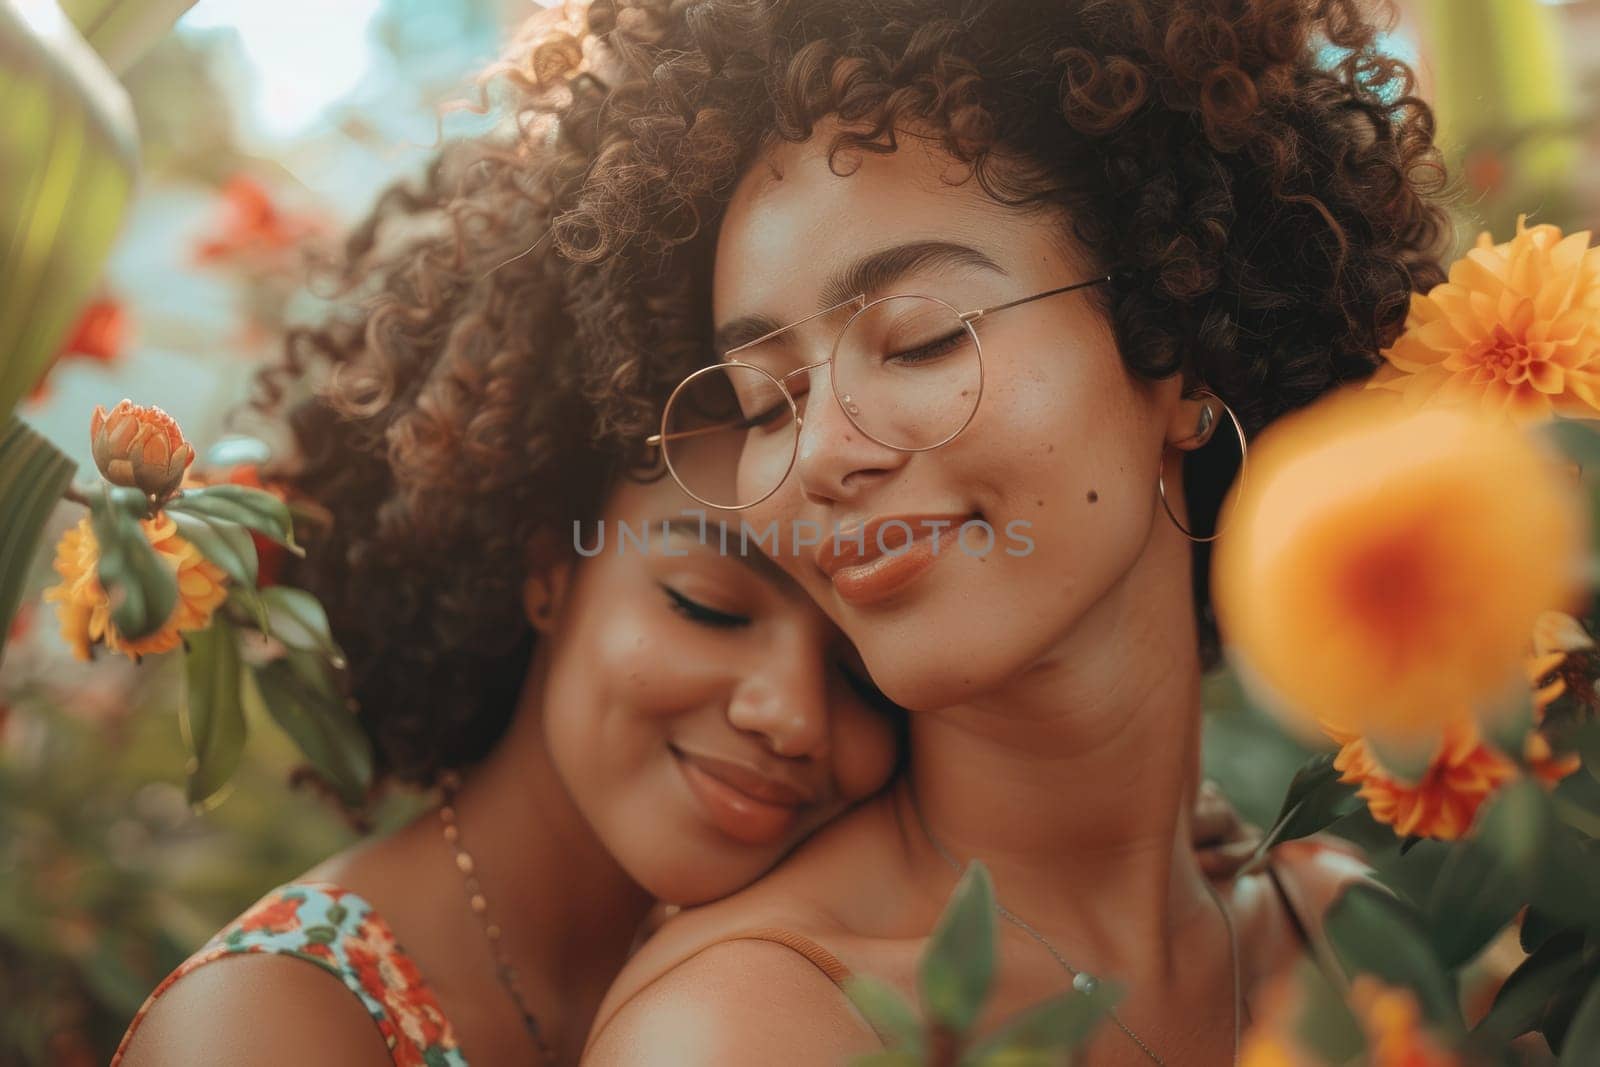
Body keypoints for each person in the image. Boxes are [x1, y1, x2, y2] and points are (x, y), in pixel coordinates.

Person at [549, 0, 1451, 1062]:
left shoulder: (1358, 938)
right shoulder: (753, 1026)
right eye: (765, 402)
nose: (822, 451)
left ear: (1183, 349)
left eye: (921, 339)